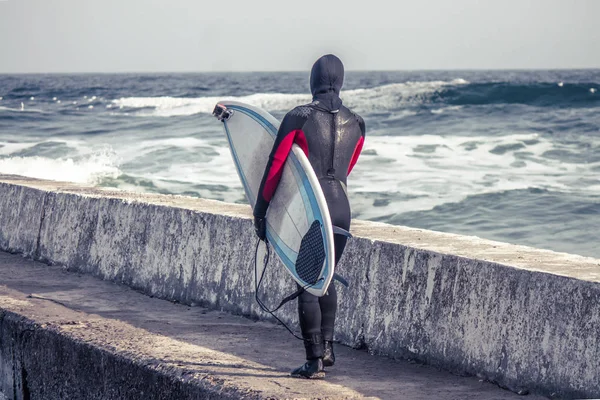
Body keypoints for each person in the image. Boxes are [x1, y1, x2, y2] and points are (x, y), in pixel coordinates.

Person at [253, 54, 366, 379]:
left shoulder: (298, 117)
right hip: (341, 207)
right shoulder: (358, 123)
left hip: (313, 206)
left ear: (312, 81)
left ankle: (313, 360)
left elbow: (276, 167)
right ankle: (327, 350)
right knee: (325, 276)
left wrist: (262, 212)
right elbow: (349, 166)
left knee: (307, 281)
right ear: (341, 81)